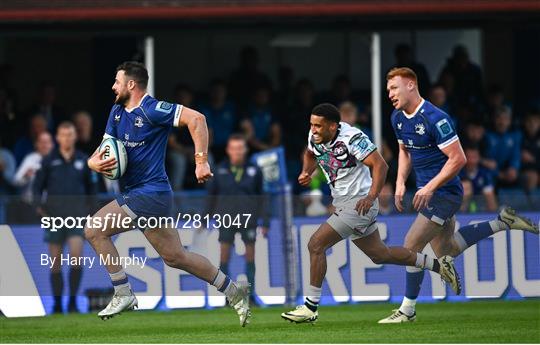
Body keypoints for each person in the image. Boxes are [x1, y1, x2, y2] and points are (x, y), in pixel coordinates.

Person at [85, 61, 251, 326]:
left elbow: (197, 119)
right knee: (176, 257)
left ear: (131, 84)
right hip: (140, 194)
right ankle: (234, 291)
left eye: (117, 81)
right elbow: (102, 151)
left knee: (94, 229)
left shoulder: (153, 109)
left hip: (150, 193)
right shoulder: (116, 112)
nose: (113, 86)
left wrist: (200, 161)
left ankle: (122, 292)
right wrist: (91, 163)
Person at [378, 67, 538, 323]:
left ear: (411, 85)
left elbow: (458, 158)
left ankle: (408, 311)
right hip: (430, 193)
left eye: (394, 88)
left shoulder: (435, 118)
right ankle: (502, 222)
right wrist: (399, 182)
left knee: (410, 245)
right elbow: (404, 151)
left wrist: (429, 187)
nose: (390, 94)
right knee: (448, 248)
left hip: (445, 193)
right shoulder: (397, 117)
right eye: (388, 90)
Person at [281, 103, 461, 324]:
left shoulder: (353, 138)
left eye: (318, 125)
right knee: (380, 255)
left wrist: (371, 197)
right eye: (312, 124)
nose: (314, 129)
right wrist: (306, 172)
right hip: (343, 203)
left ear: (333, 126)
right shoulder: (314, 135)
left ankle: (310, 308)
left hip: (360, 204)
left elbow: (381, 165)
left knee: (315, 244)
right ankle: (439, 266)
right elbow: (310, 153)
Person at [33, 122, 96, 313]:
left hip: (76, 217)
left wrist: (91, 212)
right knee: (55, 262)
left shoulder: (83, 160)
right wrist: (39, 207)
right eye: (63, 135)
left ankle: (73, 302)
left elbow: (92, 189)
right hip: (54, 217)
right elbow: (37, 187)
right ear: (57, 138)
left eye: (70, 134)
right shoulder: (48, 161)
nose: (67, 138)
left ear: (75, 137)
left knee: (76, 257)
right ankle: (58, 304)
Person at [206, 134, 268, 305]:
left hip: (248, 218)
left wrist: (266, 221)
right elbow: (211, 197)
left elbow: (262, 197)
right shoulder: (219, 170)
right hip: (226, 218)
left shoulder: (255, 170)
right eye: (234, 148)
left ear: (245, 150)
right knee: (225, 257)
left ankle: (252, 295)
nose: (237, 152)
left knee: (250, 257)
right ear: (228, 150)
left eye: (240, 148)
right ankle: (227, 296)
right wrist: (204, 219)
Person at [460, 146, 498, 212]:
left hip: (480, 206)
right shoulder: (458, 173)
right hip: (461, 208)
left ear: (478, 158)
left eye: (474, 157)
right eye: (469, 157)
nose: (471, 161)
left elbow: (490, 195)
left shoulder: (484, 174)